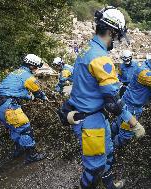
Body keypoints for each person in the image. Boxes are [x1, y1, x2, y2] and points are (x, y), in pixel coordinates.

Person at [58, 6, 144, 189]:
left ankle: (109, 185)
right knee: (94, 168)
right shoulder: (101, 58)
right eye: (117, 36)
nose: (117, 40)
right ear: (111, 31)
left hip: (94, 115)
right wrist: (133, 123)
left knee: (108, 153)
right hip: (90, 120)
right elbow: (114, 103)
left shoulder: (86, 49)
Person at [0, 54, 48, 164]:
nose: (36, 69)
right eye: (36, 67)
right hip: (9, 106)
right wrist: (44, 98)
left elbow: (14, 90)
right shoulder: (28, 77)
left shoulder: (15, 73)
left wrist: (29, 96)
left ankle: (19, 150)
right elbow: (38, 93)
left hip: (0, 106)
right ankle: (32, 156)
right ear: (31, 66)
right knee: (25, 129)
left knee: (14, 128)